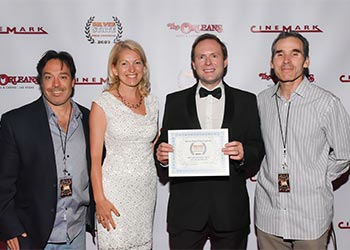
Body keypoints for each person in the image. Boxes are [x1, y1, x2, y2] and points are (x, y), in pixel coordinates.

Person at [155, 33, 265, 249]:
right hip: (186, 212)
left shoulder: (247, 100)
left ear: (225, 61)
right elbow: (164, 147)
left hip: (230, 211)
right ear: (193, 64)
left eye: (214, 56)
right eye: (201, 57)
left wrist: (244, 153)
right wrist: (162, 157)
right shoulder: (174, 102)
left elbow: (257, 148)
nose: (208, 62)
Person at [254, 31, 350, 249]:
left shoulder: (327, 103)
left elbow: (345, 153)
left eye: (294, 54)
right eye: (280, 54)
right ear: (271, 62)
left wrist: (318, 177)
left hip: (310, 217)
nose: (286, 61)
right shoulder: (261, 102)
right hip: (269, 215)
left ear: (306, 61)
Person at [0, 50, 95, 249]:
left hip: (76, 234)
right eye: (48, 77)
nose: (56, 85)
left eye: (63, 77)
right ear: (40, 82)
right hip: (31, 236)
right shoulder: (16, 123)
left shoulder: (90, 120)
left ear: (73, 81)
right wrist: (10, 228)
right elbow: (4, 182)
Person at [90, 40, 158, 249]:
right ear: (114, 69)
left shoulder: (153, 103)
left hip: (145, 191)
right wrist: (100, 200)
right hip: (114, 194)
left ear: (144, 68)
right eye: (124, 64)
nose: (132, 69)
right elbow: (94, 158)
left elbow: (152, 146)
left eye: (137, 63)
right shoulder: (102, 104)